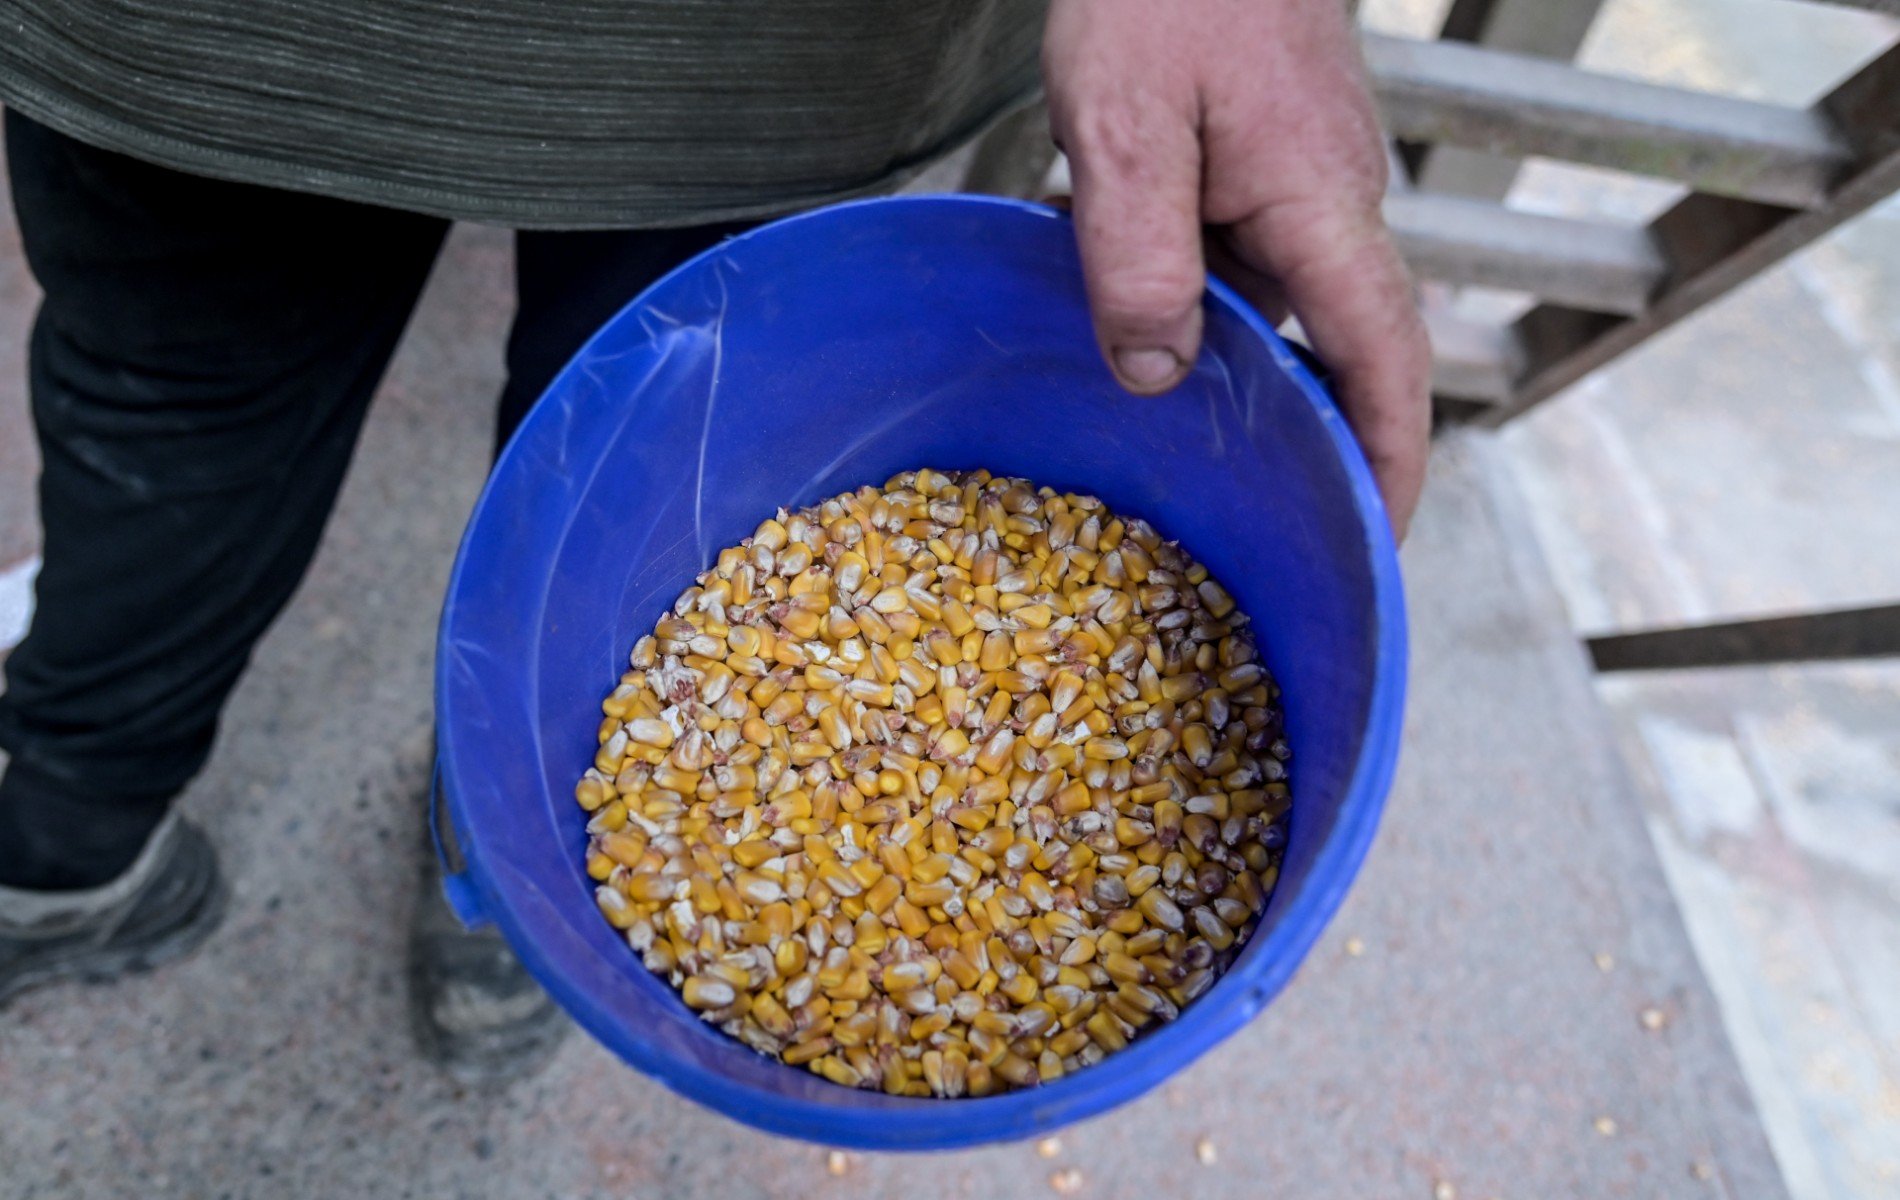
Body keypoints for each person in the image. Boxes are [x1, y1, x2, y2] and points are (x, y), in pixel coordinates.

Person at [0, 0, 1429, 1080]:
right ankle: (177, 846)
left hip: (696, 58)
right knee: (595, 444)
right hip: (288, 46)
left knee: (567, 438)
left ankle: (448, 843)